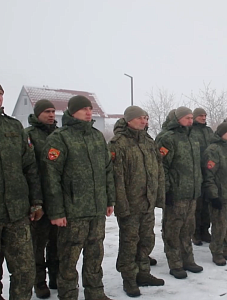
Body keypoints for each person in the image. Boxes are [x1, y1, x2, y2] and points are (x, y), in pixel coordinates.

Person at [41, 95, 115, 300]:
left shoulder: (97, 136)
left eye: (90, 108)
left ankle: (95, 292)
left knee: (95, 254)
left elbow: (107, 170)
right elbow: (50, 177)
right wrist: (56, 211)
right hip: (72, 211)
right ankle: (68, 295)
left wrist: (109, 200)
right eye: (83, 109)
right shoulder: (60, 138)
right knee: (68, 258)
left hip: (96, 209)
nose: (88, 112)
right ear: (72, 112)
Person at [109, 106, 165, 297]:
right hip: (130, 204)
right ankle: (129, 278)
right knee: (129, 242)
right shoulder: (119, 143)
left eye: (146, 118)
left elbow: (158, 170)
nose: (144, 121)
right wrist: (121, 205)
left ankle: (143, 273)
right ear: (129, 120)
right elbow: (117, 178)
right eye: (141, 118)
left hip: (147, 202)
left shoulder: (148, 141)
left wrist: (158, 196)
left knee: (147, 239)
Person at [0, 84, 43, 300]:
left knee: (25, 271)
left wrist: (36, 202)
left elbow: (30, 167)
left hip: (17, 212)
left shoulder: (14, 127)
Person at [156, 107, 203, 279]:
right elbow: (162, 167)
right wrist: (166, 190)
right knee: (172, 229)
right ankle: (175, 263)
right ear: (178, 119)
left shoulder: (192, 137)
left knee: (188, 228)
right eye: (187, 118)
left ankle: (188, 260)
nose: (191, 121)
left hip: (191, 193)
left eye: (191, 118)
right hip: (176, 193)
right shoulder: (167, 138)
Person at [25, 99, 59, 298]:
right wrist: (34, 201)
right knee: (38, 244)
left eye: (53, 111)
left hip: (58, 200)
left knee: (56, 242)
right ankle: (39, 282)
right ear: (38, 113)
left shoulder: (59, 135)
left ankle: (55, 276)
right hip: (38, 198)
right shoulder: (28, 135)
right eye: (47, 111)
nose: (51, 115)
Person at [203, 122, 227, 266]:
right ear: (221, 133)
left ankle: (226, 248)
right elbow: (209, 175)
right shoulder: (213, 150)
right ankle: (217, 252)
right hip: (220, 196)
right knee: (220, 226)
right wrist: (213, 196)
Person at [191, 108, 213, 245]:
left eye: (205, 115)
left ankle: (205, 230)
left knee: (207, 204)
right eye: (200, 116)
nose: (203, 118)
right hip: (196, 172)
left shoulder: (209, 131)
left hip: (209, 172)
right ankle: (196, 233)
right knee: (197, 206)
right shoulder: (191, 131)